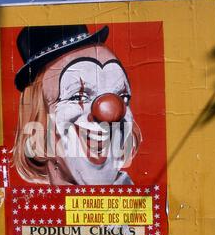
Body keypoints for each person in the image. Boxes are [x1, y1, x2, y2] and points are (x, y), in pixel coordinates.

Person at [12, 24, 142, 186]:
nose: (110, 110)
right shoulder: (30, 208)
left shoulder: (142, 207)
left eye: (122, 96)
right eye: (78, 96)